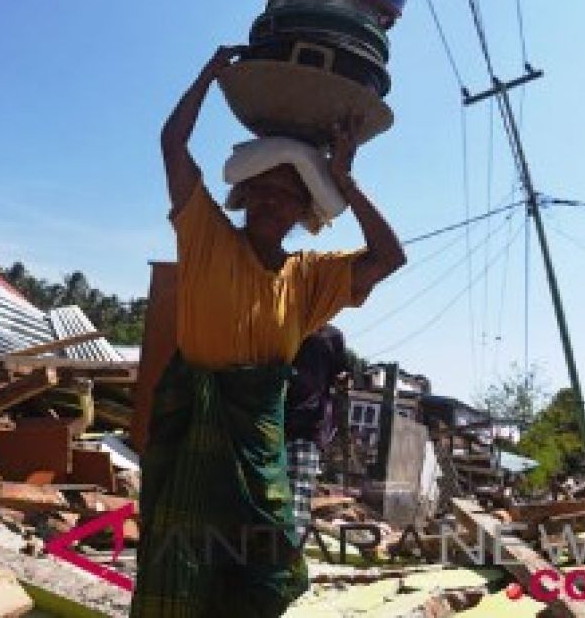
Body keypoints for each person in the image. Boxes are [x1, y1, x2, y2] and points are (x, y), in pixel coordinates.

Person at [130, 46, 405, 618]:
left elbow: (389, 256)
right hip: (191, 423)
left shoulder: (309, 277)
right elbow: (172, 146)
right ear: (245, 192)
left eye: (288, 193)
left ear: (303, 211)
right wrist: (208, 75)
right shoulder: (206, 235)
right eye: (264, 187)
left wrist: (345, 180)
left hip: (258, 435)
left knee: (266, 558)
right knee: (176, 558)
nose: (272, 200)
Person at [285, 324, 351, 540]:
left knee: (296, 497)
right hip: (270, 422)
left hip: (307, 426)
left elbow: (341, 375)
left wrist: (343, 384)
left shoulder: (331, 337)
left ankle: (289, 557)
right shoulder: (281, 324)